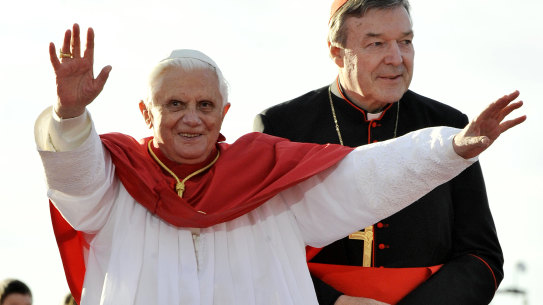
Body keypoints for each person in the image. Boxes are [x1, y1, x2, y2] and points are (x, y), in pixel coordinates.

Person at [35, 23, 524, 305]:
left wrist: (452, 148)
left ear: (225, 113)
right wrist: (71, 114)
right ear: (145, 112)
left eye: (205, 106)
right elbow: (74, 180)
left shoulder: (265, 177)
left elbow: (363, 177)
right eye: (175, 105)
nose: (192, 119)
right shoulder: (115, 179)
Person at [254, 0, 508, 304]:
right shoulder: (282, 128)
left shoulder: (447, 126)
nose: (396, 58)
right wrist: (334, 302)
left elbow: (481, 256)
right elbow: (258, 251)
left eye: (406, 42)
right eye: (376, 43)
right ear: (337, 52)